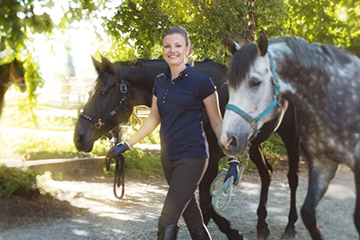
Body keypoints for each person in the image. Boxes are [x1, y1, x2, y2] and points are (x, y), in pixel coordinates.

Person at [107, 25, 239, 240]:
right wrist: (126, 144)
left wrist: (232, 160)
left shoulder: (202, 82)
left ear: (188, 49)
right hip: (168, 158)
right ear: (163, 49)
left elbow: (217, 123)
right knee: (194, 221)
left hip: (193, 157)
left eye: (178, 45)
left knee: (167, 219)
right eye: (167, 46)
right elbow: (153, 119)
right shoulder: (160, 82)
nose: (172, 50)